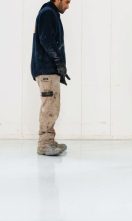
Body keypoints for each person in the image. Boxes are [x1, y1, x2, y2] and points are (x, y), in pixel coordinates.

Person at [31, 0, 71, 156]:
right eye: (67, 2)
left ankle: (49, 141)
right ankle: (45, 144)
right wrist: (58, 62)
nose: (68, 6)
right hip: (46, 69)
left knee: (52, 106)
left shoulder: (50, 12)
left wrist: (60, 67)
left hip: (48, 69)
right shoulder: (48, 13)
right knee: (49, 107)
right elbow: (46, 40)